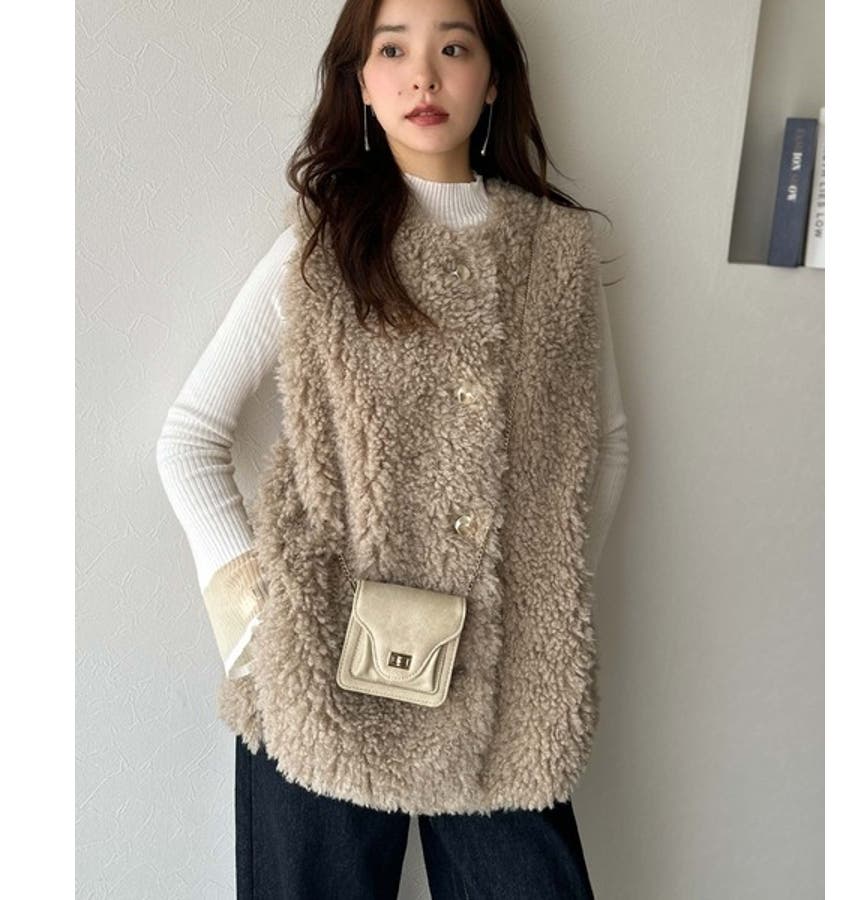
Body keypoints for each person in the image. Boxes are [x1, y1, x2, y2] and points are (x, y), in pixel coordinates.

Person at [156, 0, 630, 896]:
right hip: (322, 676)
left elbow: (602, 447)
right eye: (392, 49)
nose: (424, 74)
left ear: (493, 80)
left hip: (511, 689)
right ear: (362, 84)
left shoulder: (559, 255)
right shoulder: (321, 246)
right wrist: (258, 631)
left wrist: (549, 608)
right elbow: (189, 437)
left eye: (454, 46)